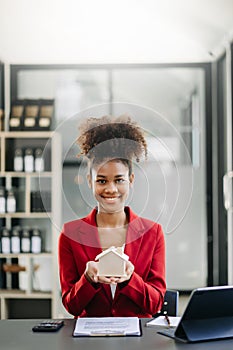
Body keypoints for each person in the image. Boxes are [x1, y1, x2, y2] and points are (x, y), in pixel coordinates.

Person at [58, 114, 166, 318]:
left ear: (131, 180)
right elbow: (71, 306)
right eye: (101, 181)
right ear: (89, 181)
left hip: (138, 341)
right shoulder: (70, 234)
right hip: (89, 342)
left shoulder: (153, 233)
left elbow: (156, 304)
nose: (111, 189)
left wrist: (130, 279)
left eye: (119, 180)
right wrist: (88, 279)